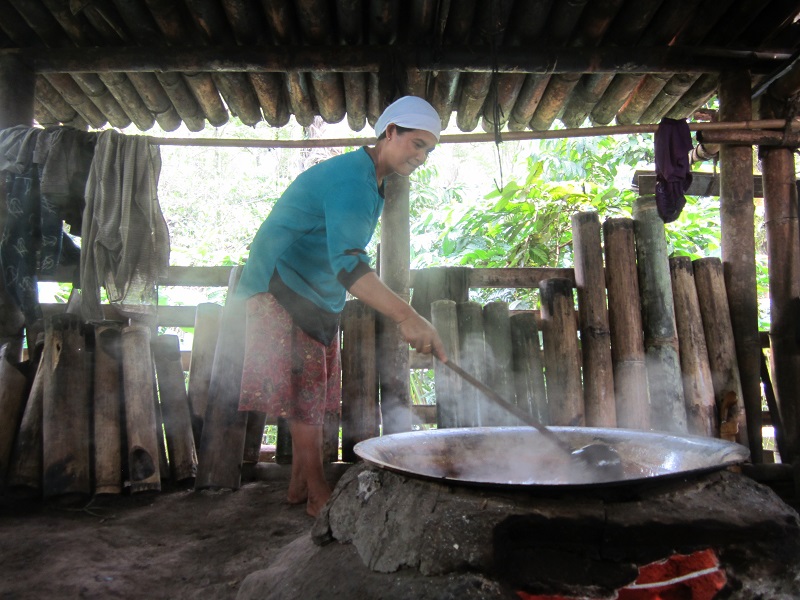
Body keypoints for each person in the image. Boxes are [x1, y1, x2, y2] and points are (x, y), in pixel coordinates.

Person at [237, 96, 448, 517]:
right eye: (417, 143)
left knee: (314, 392)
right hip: (280, 287)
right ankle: (318, 495)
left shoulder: (373, 180)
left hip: (313, 292)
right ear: (390, 132)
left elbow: (343, 261)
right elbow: (350, 264)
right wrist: (407, 315)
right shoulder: (353, 180)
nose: (422, 157)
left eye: (429, 149)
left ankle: (299, 484)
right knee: (306, 396)